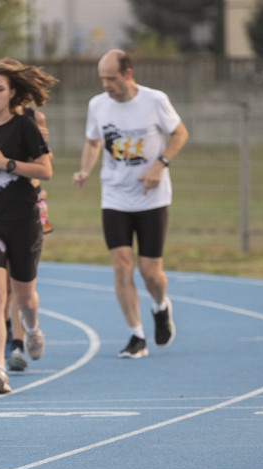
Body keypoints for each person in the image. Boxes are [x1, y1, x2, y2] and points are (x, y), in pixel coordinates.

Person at [73, 49, 189, 359]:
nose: (106, 85)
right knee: (122, 265)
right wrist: (85, 169)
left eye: (111, 78)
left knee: (150, 272)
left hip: (152, 197)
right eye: (101, 79)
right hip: (114, 196)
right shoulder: (97, 105)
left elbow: (179, 133)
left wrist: (160, 163)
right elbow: (94, 141)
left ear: (128, 74)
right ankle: (136, 335)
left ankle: (160, 306)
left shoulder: (154, 101)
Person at [0, 58, 56, 394]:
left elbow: (45, 170)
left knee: (25, 297)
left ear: (12, 92)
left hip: (23, 220)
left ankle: (31, 330)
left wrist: (7, 164)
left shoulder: (25, 125)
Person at [0, 95, 52, 373]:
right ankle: (8, 348)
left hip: (25, 207)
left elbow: (45, 165)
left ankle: (23, 336)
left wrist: (10, 167)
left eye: (1, 88)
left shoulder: (34, 120)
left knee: (21, 291)